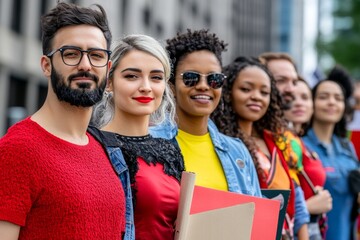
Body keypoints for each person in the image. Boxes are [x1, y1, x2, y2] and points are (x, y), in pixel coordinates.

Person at [0, 2, 126, 240]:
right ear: (46, 65)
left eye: (96, 55)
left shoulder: (106, 151)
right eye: (71, 54)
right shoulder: (17, 150)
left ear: (107, 69)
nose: (86, 65)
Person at [90, 34, 184, 240]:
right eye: (132, 76)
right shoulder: (91, 144)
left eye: (156, 77)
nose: (146, 87)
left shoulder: (170, 149)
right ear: (108, 82)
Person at [150, 29, 261, 196]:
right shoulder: (148, 143)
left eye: (214, 79)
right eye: (191, 77)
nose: (203, 85)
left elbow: (255, 214)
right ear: (171, 86)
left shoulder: (238, 152)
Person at [212, 56, 308, 239]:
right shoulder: (222, 145)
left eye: (264, 92)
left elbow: (297, 202)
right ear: (228, 92)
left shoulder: (276, 142)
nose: (256, 96)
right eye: (246, 89)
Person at [259, 52, 310, 239]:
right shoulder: (238, 135)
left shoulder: (285, 137)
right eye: (281, 80)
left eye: (294, 82)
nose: (291, 89)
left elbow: (296, 196)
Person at [302, 79, 360, 240]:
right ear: (312, 102)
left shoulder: (348, 147)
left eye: (338, 98)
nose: (331, 102)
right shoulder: (299, 147)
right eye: (323, 97)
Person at [284, 77, 332, 240]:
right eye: (292, 98)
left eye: (305, 97)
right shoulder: (280, 142)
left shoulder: (301, 144)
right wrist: (309, 206)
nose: (298, 103)